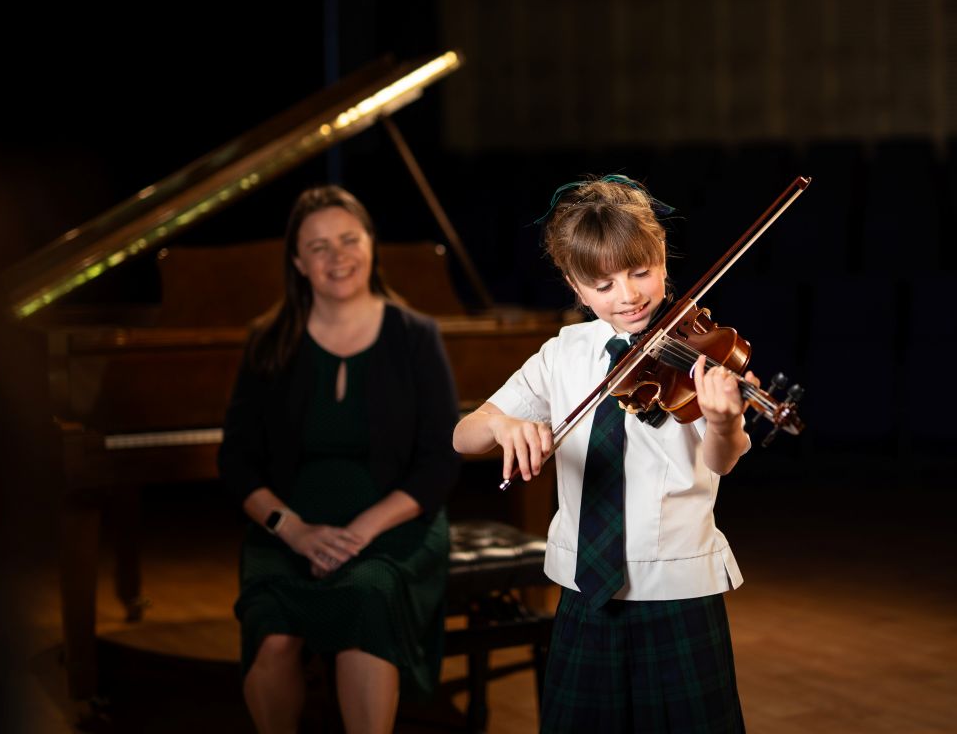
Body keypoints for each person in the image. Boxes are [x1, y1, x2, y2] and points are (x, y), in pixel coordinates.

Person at [452, 175, 752, 733]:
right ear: (576, 286)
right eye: (605, 283)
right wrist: (504, 424)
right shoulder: (563, 354)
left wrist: (724, 420)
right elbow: (464, 435)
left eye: (641, 272)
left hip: (678, 588)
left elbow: (722, 459)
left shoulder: (700, 351)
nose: (629, 295)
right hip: (583, 588)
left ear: (662, 258)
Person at [218, 185, 460, 734]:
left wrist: (360, 531)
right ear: (299, 262)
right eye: (319, 246)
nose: (338, 256)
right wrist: (292, 529)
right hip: (289, 526)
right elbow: (235, 460)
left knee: (366, 596)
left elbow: (439, 462)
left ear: (371, 245)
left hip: (393, 527)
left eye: (349, 239)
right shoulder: (268, 339)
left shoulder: (416, 336)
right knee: (274, 632)